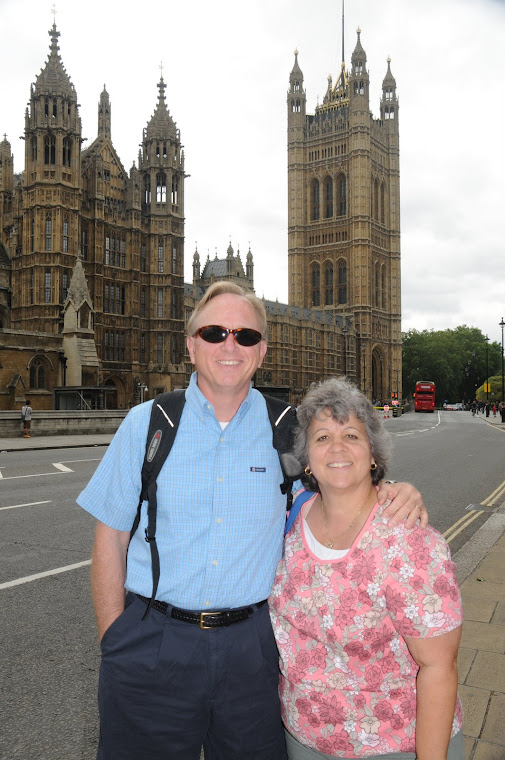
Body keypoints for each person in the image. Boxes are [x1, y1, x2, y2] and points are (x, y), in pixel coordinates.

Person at [77, 282, 428, 760]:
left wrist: (392, 491)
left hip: (252, 650)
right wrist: (115, 640)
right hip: (152, 642)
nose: (229, 345)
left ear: (261, 350)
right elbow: (111, 537)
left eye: (244, 336)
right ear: (190, 344)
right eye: (214, 332)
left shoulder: (288, 430)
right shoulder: (147, 423)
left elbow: (340, 496)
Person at [269, 377, 463, 760]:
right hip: (304, 737)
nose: (337, 447)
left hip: (392, 744)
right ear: (306, 459)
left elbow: (440, 665)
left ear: (373, 454)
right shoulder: (293, 514)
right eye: (322, 437)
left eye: (352, 436)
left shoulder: (408, 537)